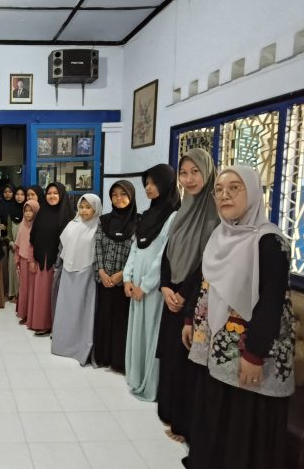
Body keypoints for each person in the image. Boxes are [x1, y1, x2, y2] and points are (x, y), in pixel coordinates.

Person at [185, 166, 294, 469]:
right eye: (219, 190)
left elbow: (271, 302)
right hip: (217, 345)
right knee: (216, 411)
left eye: (235, 187)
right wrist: (190, 320)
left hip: (250, 350)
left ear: (254, 192)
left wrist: (255, 353)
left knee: (243, 420)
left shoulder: (269, 242)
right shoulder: (219, 236)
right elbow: (205, 283)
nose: (225, 195)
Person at [157, 148, 219, 443]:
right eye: (184, 173)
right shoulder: (182, 211)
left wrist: (183, 295)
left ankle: (186, 426)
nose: (189, 179)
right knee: (172, 360)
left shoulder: (216, 215)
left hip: (196, 300)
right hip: (172, 294)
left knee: (189, 364)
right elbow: (168, 252)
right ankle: (173, 417)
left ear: (208, 173)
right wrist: (165, 286)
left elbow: (207, 264)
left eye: (196, 172)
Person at [123, 165, 180, 401]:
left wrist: (145, 286)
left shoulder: (174, 216)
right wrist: (127, 277)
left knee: (151, 331)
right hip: (136, 281)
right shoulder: (147, 215)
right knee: (137, 329)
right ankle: (135, 376)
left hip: (154, 286)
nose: (148, 188)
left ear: (166, 184)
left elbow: (164, 255)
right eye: (146, 183)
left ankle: (150, 382)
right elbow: (135, 248)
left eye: (154, 183)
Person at [51, 194, 102, 365]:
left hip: (87, 274)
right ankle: (63, 345)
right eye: (81, 207)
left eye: (88, 207)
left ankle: (81, 347)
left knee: (83, 312)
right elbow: (63, 247)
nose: (84, 210)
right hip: (68, 272)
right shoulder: (72, 225)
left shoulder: (99, 227)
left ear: (96, 209)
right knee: (66, 310)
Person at [93, 181, 138, 373]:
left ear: (131, 196)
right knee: (103, 319)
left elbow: (137, 252)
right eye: (114, 195)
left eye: (123, 194)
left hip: (124, 283)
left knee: (121, 322)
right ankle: (102, 357)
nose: (119, 198)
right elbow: (97, 246)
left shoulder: (138, 222)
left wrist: (122, 275)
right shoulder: (103, 220)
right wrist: (101, 271)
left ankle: (119, 361)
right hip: (104, 280)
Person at [28, 182, 74, 335]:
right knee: (42, 295)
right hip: (42, 260)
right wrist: (32, 259)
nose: (52, 196)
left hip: (60, 263)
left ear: (62, 195)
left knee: (57, 295)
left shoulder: (69, 216)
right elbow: (33, 237)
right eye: (49, 193)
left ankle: (57, 327)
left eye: (55, 193)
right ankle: (42, 323)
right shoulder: (41, 213)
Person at [15, 199, 40, 323]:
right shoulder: (22, 225)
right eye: (26, 211)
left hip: (34, 262)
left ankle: (32, 315)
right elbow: (18, 245)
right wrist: (17, 261)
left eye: (31, 211)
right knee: (24, 289)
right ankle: (24, 314)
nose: (28, 213)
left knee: (33, 290)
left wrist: (33, 260)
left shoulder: (39, 226)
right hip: (23, 261)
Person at [6, 187, 26, 302]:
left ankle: (21, 294)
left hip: (25, 247)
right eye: (17, 194)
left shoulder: (28, 211)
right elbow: (8, 229)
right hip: (13, 247)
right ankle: (13, 293)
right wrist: (11, 242)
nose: (19, 197)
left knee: (23, 271)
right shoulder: (11, 211)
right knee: (12, 270)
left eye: (22, 194)